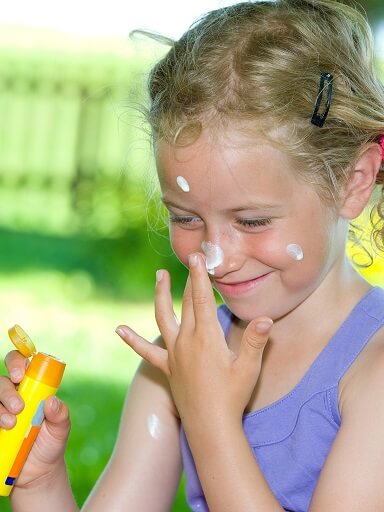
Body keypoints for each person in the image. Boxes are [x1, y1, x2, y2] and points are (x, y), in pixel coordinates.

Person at [1, 0, 384, 510]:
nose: (215, 255)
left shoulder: (372, 373)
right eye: (186, 217)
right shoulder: (178, 362)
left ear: (352, 183)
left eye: (251, 221)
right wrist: (37, 479)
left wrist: (208, 419)